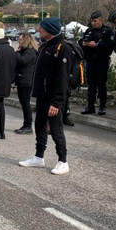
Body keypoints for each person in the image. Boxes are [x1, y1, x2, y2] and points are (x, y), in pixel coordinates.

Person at [19, 17, 72, 175]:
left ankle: (63, 161)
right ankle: (38, 157)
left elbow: (63, 79)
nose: (38, 30)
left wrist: (56, 103)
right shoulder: (44, 46)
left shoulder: (63, 48)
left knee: (55, 129)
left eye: (41, 28)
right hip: (42, 95)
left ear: (49, 30)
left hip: (53, 98)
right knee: (40, 126)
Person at [79, 11, 115, 115]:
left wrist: (97, 45)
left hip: (101, 61)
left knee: (101, 84)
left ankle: (102, 106)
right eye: (92, 21)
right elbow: (81, 41)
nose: (93, 23)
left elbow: (110, 45)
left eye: (95, 21)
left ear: (101, 20)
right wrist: (83, 43)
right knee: (91, 84)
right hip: (90, 60)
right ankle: (90, 106)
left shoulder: (107, 31)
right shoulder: (89, 30)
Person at [14, 31, 38, 134]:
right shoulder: (25, 51)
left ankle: (28, 125)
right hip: (21, 79)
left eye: (20, 40)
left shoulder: (30, 51)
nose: (18, 41)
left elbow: (22, 61)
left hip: (26, 81)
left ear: (25, 40)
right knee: (23, 103)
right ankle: (26, 124)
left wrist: (17, 53)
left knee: (25, 103)